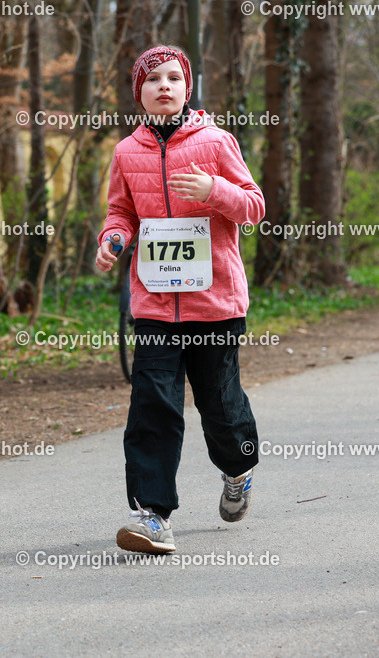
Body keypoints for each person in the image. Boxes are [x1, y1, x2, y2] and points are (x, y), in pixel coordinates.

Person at [95, 46, 265, 554]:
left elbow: (253, 207)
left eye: (174, 78)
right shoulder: (127, 152)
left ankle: (238, 468)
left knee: (219, 401)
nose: (163, 86)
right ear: (139, 93)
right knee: (153, 404)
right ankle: (151, 515)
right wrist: (113, 241)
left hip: (215, 303)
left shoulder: (216, 142)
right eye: (153, 80)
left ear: (188, 88)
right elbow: (120, 213)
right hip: (153, 303)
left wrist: (214, 189)